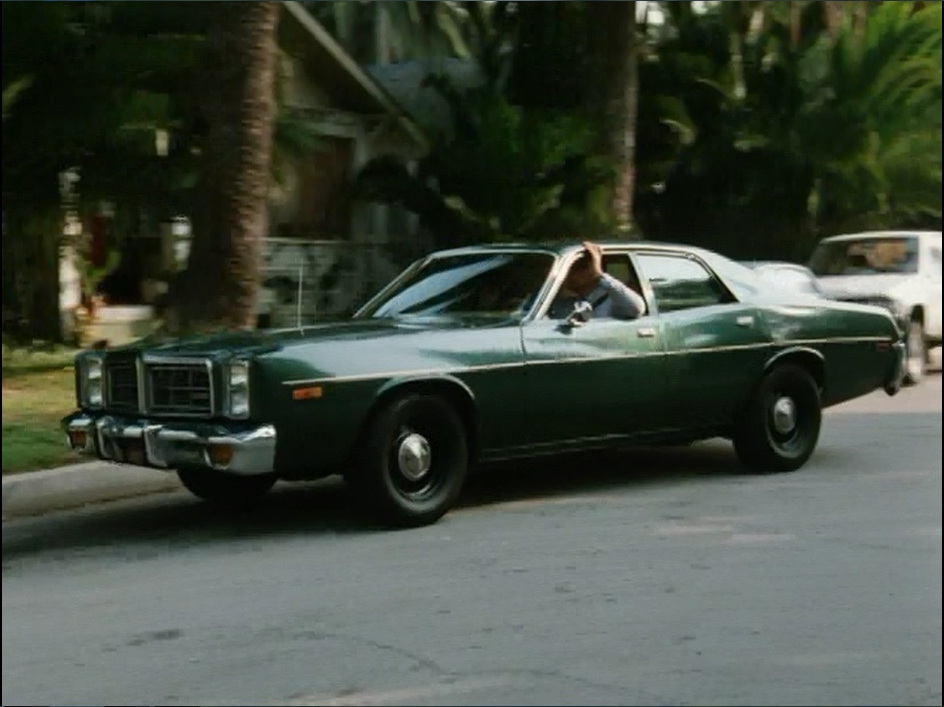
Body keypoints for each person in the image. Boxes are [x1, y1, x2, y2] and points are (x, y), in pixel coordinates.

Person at [551, 241, 646, 320]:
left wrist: (600, 274)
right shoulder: (566, 301)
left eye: (576, 269)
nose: (569, 274)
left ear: (590, 269)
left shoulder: (612, 300)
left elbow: (637, 309)